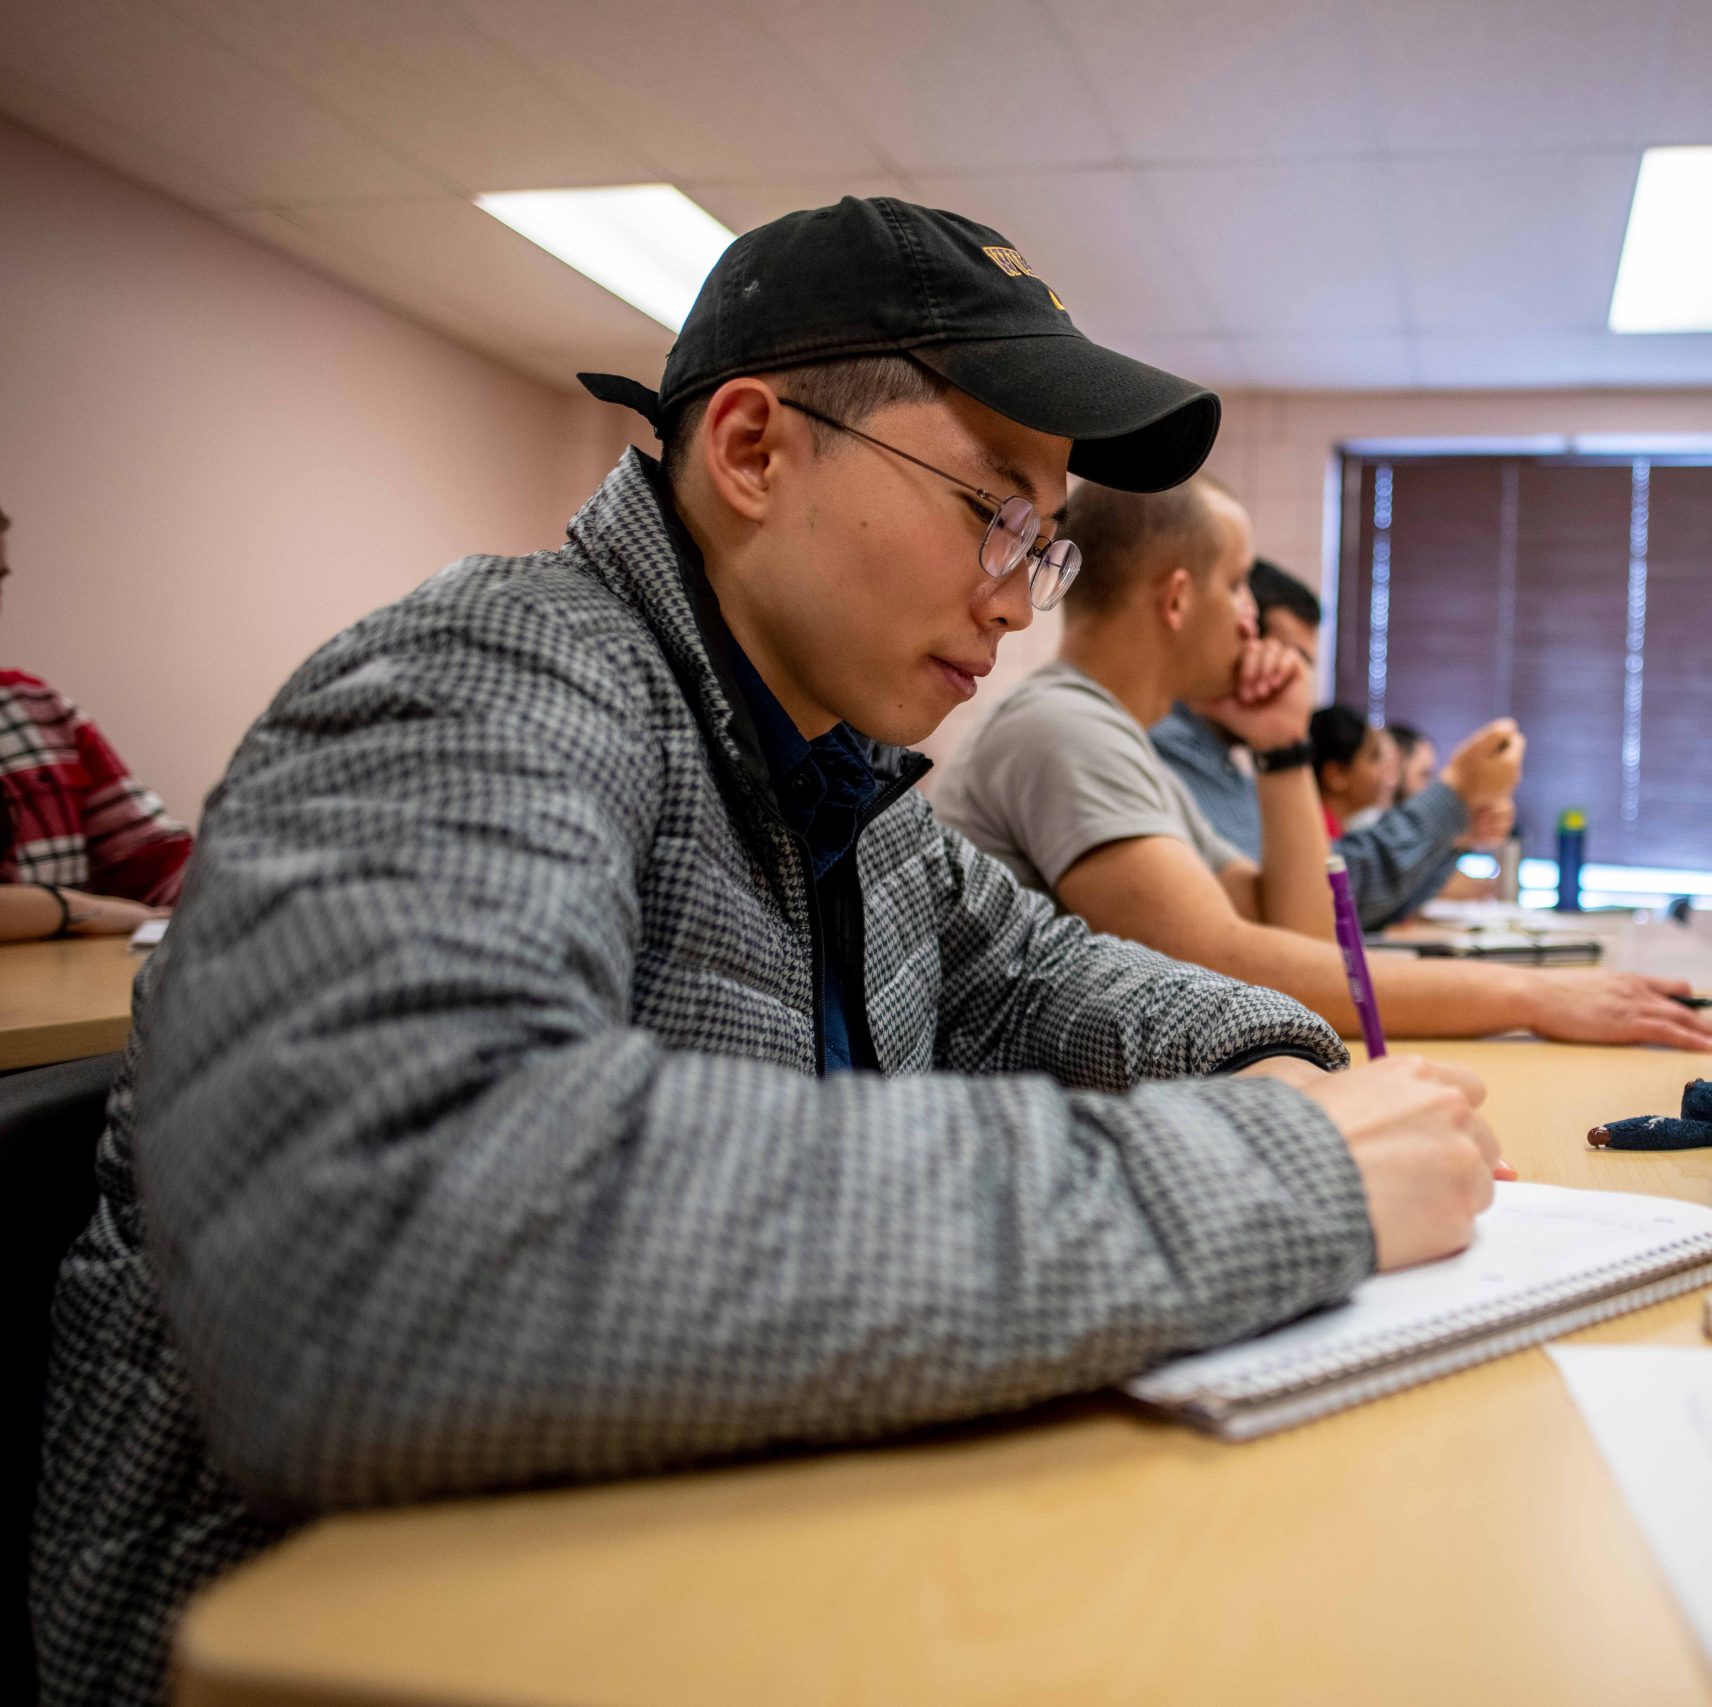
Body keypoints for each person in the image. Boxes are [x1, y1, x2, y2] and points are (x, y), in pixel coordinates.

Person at [33, 199, 1506, 1707]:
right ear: (750, 448)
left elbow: (1062, 977)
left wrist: (1271, 1061)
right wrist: (1282, 1174)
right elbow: (380, 1239)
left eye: (1044, 542)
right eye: (990, 505)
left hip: (671, 1561)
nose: (1016, 594)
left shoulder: (848, 780)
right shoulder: (495, 672)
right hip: (337, 1647)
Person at [934, 477, 1712, 1052]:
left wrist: (1285, 745)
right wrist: (1529, 995)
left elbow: (1294, 932)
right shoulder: (1062, 728)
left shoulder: (1116, 738)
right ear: (1178, 599)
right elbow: (1222, 963)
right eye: (1239, 584)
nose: (1254, 619)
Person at [1148, 559, 1517, 927]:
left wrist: (1455, 831)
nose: (1297, 680)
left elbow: (1331, 907)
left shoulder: (1222, 764)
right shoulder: (1171, 747)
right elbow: (1314, 903)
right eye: (1233, 589)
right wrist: (1453, 796)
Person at [0, 506, 191, 942]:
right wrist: (72, 908)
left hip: (69, 1006)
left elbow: (153, 857)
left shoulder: (35, 706)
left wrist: (257, 886)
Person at [1309, 705, 1398, 837]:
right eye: (1373, 758)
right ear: (1335, 775)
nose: (1387, 777)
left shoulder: (1336, 832)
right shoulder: (1320, 837)